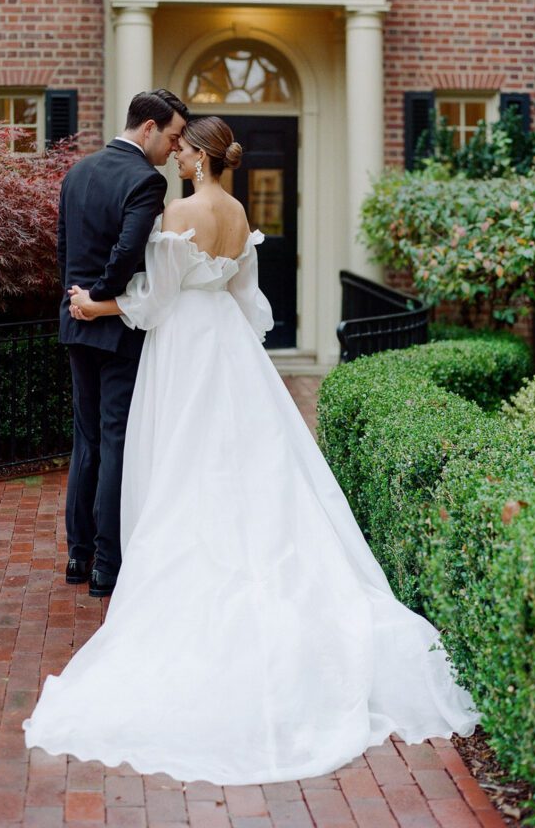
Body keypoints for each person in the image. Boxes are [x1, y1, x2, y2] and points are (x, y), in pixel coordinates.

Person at [24, 116, 478, 784]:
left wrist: (95, 308)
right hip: (230, 350)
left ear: (200, 157)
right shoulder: (237, 211)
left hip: (182, 347)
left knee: (183, 464)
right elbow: (248, 298)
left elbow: (151, 303)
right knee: (250, 463)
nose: (174, 156)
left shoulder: (181, 212)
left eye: (182, 149)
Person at [56, 88, 188, 598]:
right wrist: (103, 296)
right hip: (116, 326)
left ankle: (77, 554)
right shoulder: (145, 181)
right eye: (173, 136)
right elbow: (129, 250)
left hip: (76, 322)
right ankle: (107, 565)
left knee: (85, 438)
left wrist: (75, 301)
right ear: (149, 127)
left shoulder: (79, 171)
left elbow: (64, 250)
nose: (173, 149)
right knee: (116, 441)